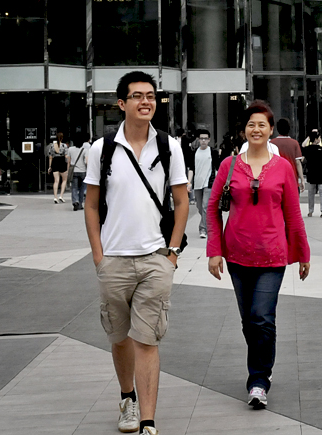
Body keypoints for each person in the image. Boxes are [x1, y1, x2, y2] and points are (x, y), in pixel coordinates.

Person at [83, 71, 190, 435]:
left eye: (151, 96)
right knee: (119, 337)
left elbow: (181, 200)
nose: (146, 102)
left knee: (147, 339)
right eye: (137, 96)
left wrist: (172, 253)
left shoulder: (169, 146)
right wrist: (99, 256)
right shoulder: (104, 148)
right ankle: (126, 397)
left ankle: (147, 420)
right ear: (122, 103)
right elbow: (92, 205)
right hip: (113, 259)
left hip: (155, 259)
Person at [206, 102, 310, 410]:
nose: (256, 130)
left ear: (270, 130)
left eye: (262, 125)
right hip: (237, 256)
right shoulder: (228, 166)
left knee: (263, 318)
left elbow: (292, 213)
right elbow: (212, 209)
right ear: (244, 130)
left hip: (272, 256)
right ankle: (260, 364)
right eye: (251, 125)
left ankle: (259, 381)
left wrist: (303, 253)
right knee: (249, 321)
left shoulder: (283, 168)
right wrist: (215, 252)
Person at [188, 129, 218, 240]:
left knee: (205, 206)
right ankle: (208, 223)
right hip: (197, 183)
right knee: (200, 207)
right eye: (202, 139)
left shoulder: (213, 152)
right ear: (198, 140)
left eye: (206, 139)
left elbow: (217, 168)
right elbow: (191, 168)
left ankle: (203, 229)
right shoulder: (194, 152)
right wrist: (188, 182)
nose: (203, 141)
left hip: (208, 183)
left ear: (209, 140)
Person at [271, 118, 306, 195]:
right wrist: (302, 179)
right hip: (292, 181)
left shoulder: (271, 143)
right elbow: (298, 163)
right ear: (289, 129)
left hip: (275, 181)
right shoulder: (294, 143)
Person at [303, 130, 322, 217]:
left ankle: (310, 211)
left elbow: (303, 148)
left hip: (311, 173)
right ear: (315, 139)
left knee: (311, 192)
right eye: (318, 137)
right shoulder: (321, 149)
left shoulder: (307, 149)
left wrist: (309, 136)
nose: (320, 139)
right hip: (321, 172)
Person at [68, 135, 90, 211]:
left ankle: (75, 201)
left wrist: (68, 170)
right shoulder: (85, 150)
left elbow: (68, 161)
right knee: (82, 188)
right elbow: (87, 161)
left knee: (74, 188)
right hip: (83, 171)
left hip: (74, 171)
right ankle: (80, 204)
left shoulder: (70, 149)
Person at [48, 132, 69, 203]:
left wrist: (50, 166)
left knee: (56, 180)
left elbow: (50, 157)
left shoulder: (52, 146)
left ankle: (55, 197)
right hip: (62, 161)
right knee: (64, 180)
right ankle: (61, 196)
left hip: (55, 161)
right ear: (62, 138)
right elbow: (66, 155)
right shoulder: (64, 145)